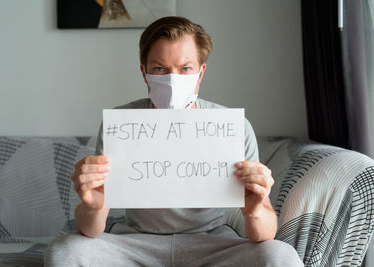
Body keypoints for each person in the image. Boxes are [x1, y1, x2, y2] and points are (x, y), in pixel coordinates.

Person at [45, 16, 303, 266]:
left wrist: (255, 208)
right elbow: (91, 229)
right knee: (64, 251)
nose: (172, 79)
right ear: (144, 73)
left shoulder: (232, 127)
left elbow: (263, 234)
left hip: (210, 243)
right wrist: (93, 205)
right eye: (160, 69)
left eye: (185, 68)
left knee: (281, 256)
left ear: (200, 73)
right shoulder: (122, 125)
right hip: (135, 243)